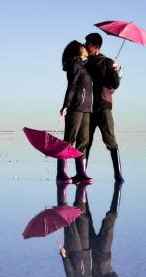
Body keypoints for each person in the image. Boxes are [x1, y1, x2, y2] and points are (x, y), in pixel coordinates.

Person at [84, 33, 124, 183]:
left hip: (104, 107)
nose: (85, 46)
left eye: (88, 44)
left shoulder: (107, 62)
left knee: (110, 141)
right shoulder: (86, 64)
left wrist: (115, 70)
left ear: (95, 46)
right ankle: (83, 173)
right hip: (87, 108)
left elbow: (115, 85)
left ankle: (118, 174)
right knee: (86, 142)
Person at [58, 40, 93, 184]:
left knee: (83, 140)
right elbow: (71, 86)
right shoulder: (74, 65)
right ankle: (61, 173)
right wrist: (66, 105)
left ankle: (81, 173)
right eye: (82, 46)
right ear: (77, 50)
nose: (85, 48)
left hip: (86, 108)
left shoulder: (84, 66)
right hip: (76, 106)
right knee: (69, 140)